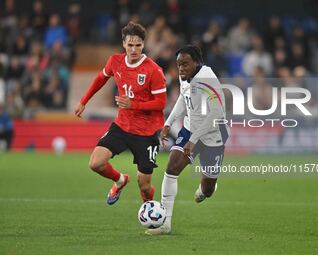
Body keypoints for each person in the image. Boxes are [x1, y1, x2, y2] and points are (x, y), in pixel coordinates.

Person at [74, 22, 167, 205]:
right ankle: (120, 180)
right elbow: (101, 78)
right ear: (123, 43)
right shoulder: (115, 61)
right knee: (96, 163)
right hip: (122, 126)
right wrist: (84, 101)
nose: (134, 49)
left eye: (138, 45)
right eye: (130, 45)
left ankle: (149, 212)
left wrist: (134, 104)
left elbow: (161, 103)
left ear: (143, 45)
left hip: (146, 132)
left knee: (145, 185)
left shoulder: (153, 70)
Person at [146, 45, 228, 235]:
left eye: (185, 64)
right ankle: (164, 223)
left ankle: (208, 188)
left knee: (207, 189)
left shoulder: (208, 80)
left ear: (197, 63)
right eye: (178, 64)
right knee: (172, 167)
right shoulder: (185, 79)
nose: (181, 68)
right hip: (190, 128)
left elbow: (218, 113)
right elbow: (184, 100)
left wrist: (194, 140)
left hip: (212, 134)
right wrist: (169, 122)